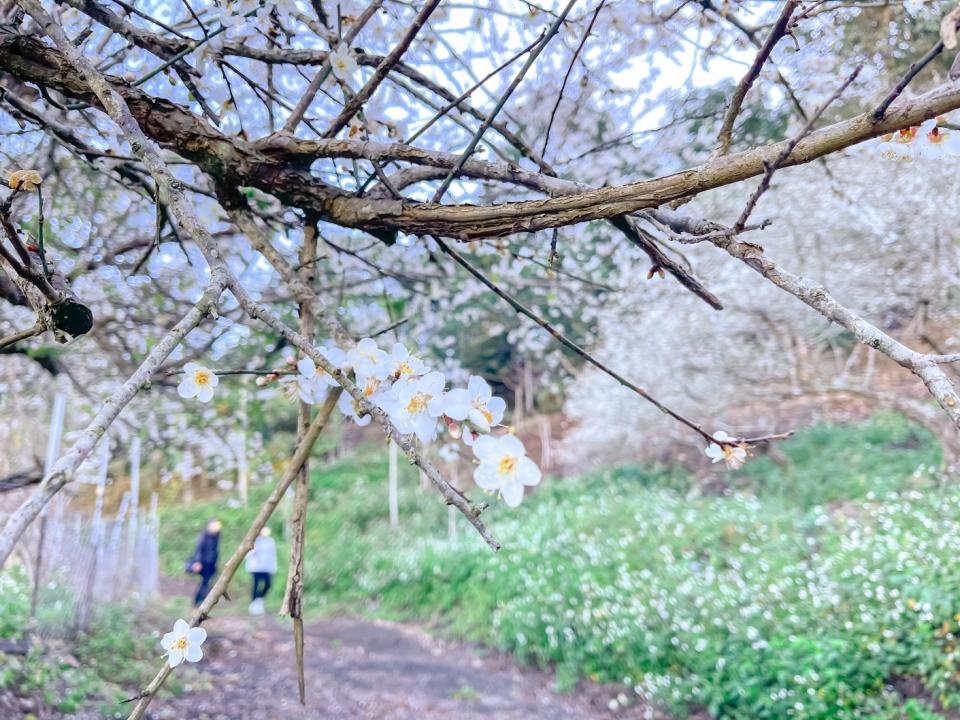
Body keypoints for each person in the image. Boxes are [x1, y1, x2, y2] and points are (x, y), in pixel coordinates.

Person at [188, 518, 221, 607]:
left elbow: (215, 550)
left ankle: (201, 601)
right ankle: (198, 602)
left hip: (211, 563)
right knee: (205, 583)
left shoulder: (217, 535)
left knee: (206, 583)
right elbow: (199, 549)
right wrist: (197, 562)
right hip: (204, 563)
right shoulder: (204, 535)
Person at [244, 527, 277, 615]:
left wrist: (273, 567)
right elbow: (247, 553)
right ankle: (253, 604)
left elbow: (273, 555)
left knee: (268, 584)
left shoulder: (271, 541)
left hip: (266, 567)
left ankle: (259, 600)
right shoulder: (255, 541)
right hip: (255, 567)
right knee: (256, 585)